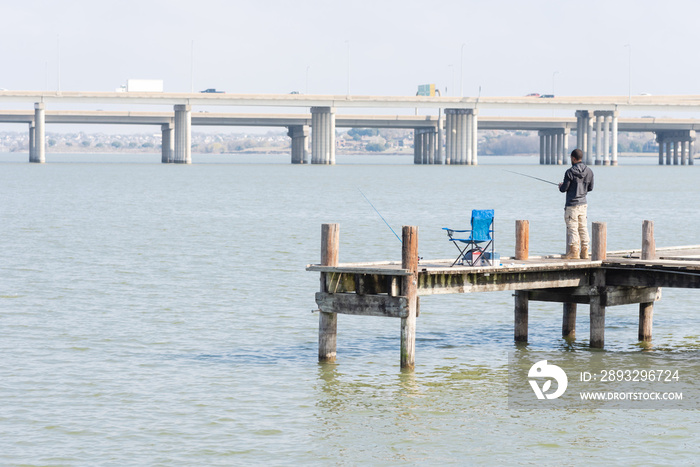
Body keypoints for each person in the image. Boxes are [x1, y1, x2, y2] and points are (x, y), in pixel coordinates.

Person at [558, 148, 594, 259]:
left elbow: (564, 189)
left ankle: (574, 252)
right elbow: (590, 188)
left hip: (572, 205)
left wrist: (561, 186)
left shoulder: (569, 172)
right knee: (583, 227)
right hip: (583, 204)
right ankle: (585, 252)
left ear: (573, 158)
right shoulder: (589, 171)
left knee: (572, 228)